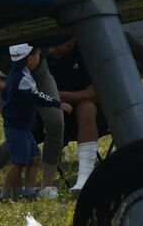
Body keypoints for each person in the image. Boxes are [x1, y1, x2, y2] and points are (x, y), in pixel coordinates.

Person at [0, 48, 67, 200]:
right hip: (7, 85)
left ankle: (40, 189)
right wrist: (13, 89)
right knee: (18, 145)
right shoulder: (3, 55)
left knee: (39, 150)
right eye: (37, 54)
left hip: (35, 76)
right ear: (29, 58)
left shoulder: (36, 56)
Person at [0, 45, 72, 199]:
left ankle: (28, 192)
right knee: (19, 162)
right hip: (16, 127)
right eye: (39, 55)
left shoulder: (17, 74)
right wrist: (58, 104)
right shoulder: (22, 79)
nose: (39, 58)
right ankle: (5, 193)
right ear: (30, 59)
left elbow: (6, 94)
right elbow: (39, 96)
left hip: (22, 127)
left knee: (34, 158)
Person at [45, 37, 105, 193]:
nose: (52, 50)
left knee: (86, 108)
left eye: (58, 43)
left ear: (72, 39)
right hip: (49, 114)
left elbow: (94, 94)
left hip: (88, 118)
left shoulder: (87, 52)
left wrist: (55, 95)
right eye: (48, 45)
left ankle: (85, 178)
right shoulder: (40, 54)